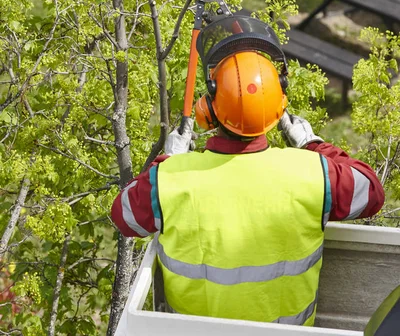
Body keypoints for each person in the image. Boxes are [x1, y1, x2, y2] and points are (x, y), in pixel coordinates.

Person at [111, 48, 384, 327]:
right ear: (277, 109)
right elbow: (372, 192)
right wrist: (312, 143)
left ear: (209, 109)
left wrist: (168, 161)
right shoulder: (313, 172)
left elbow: (124, 216)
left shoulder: (171, 178)